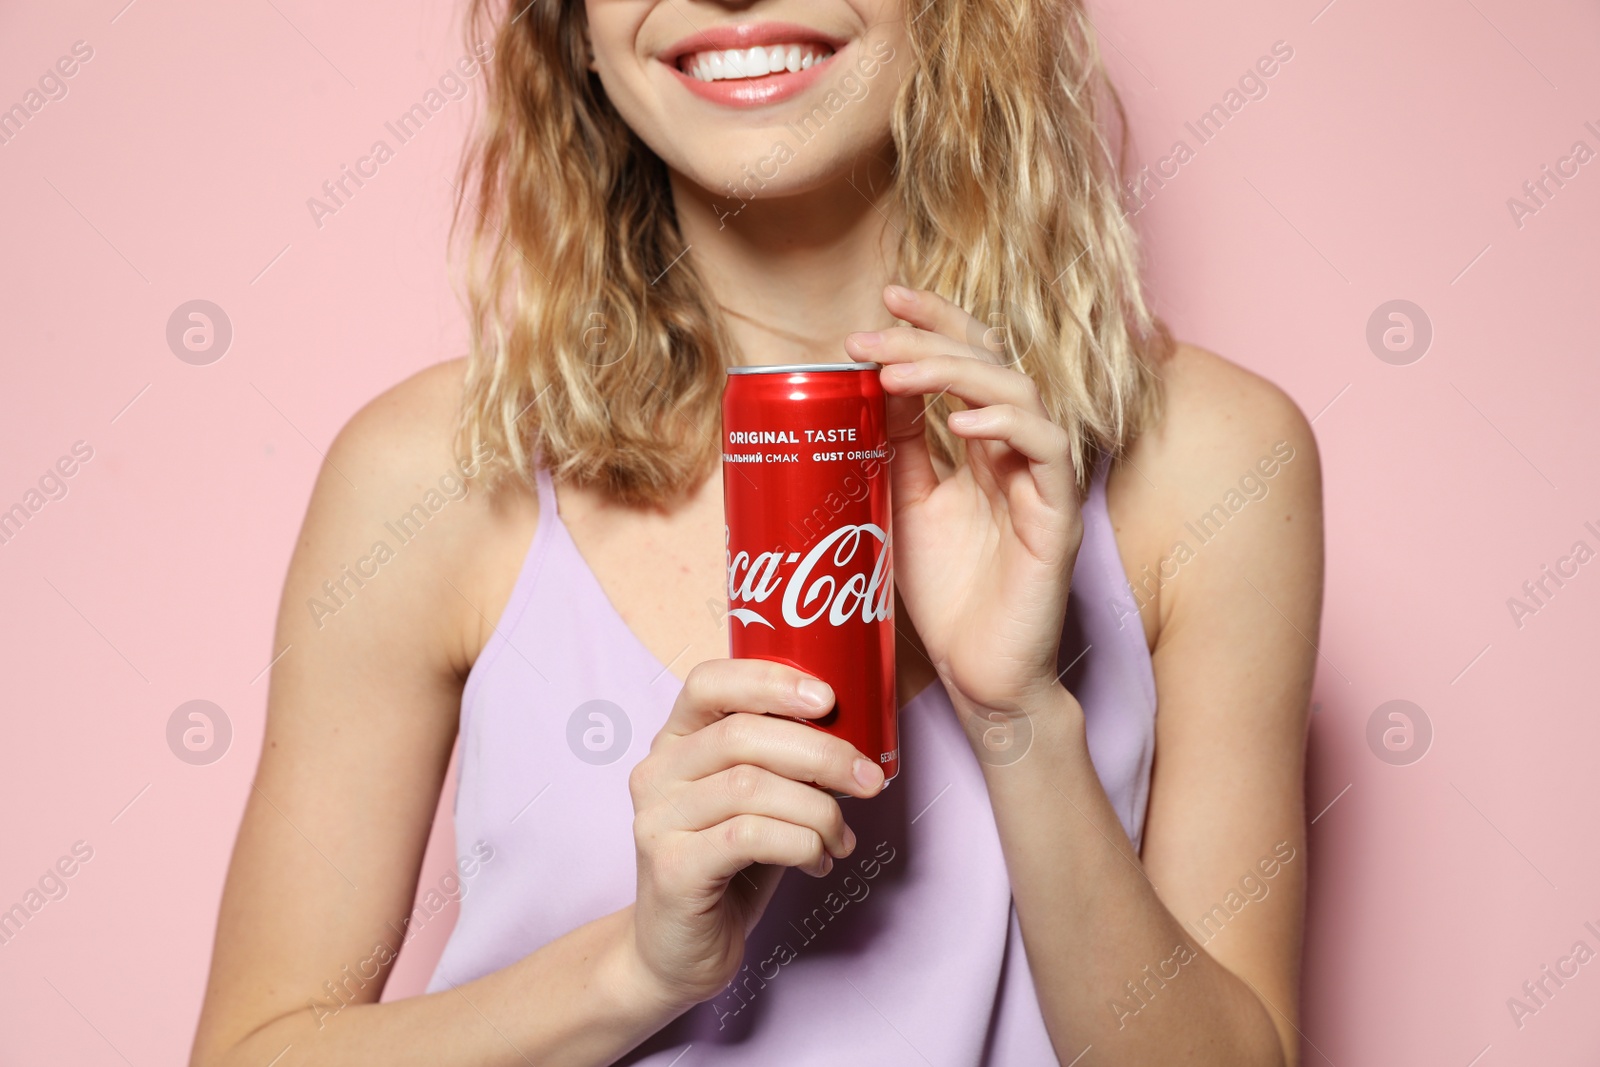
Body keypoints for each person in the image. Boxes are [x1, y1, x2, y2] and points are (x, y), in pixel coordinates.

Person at [191, 1, 1322, 1064]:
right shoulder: (438, 471)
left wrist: (1019, 720)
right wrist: (636, 966)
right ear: (576, 31)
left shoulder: (1211, 460)